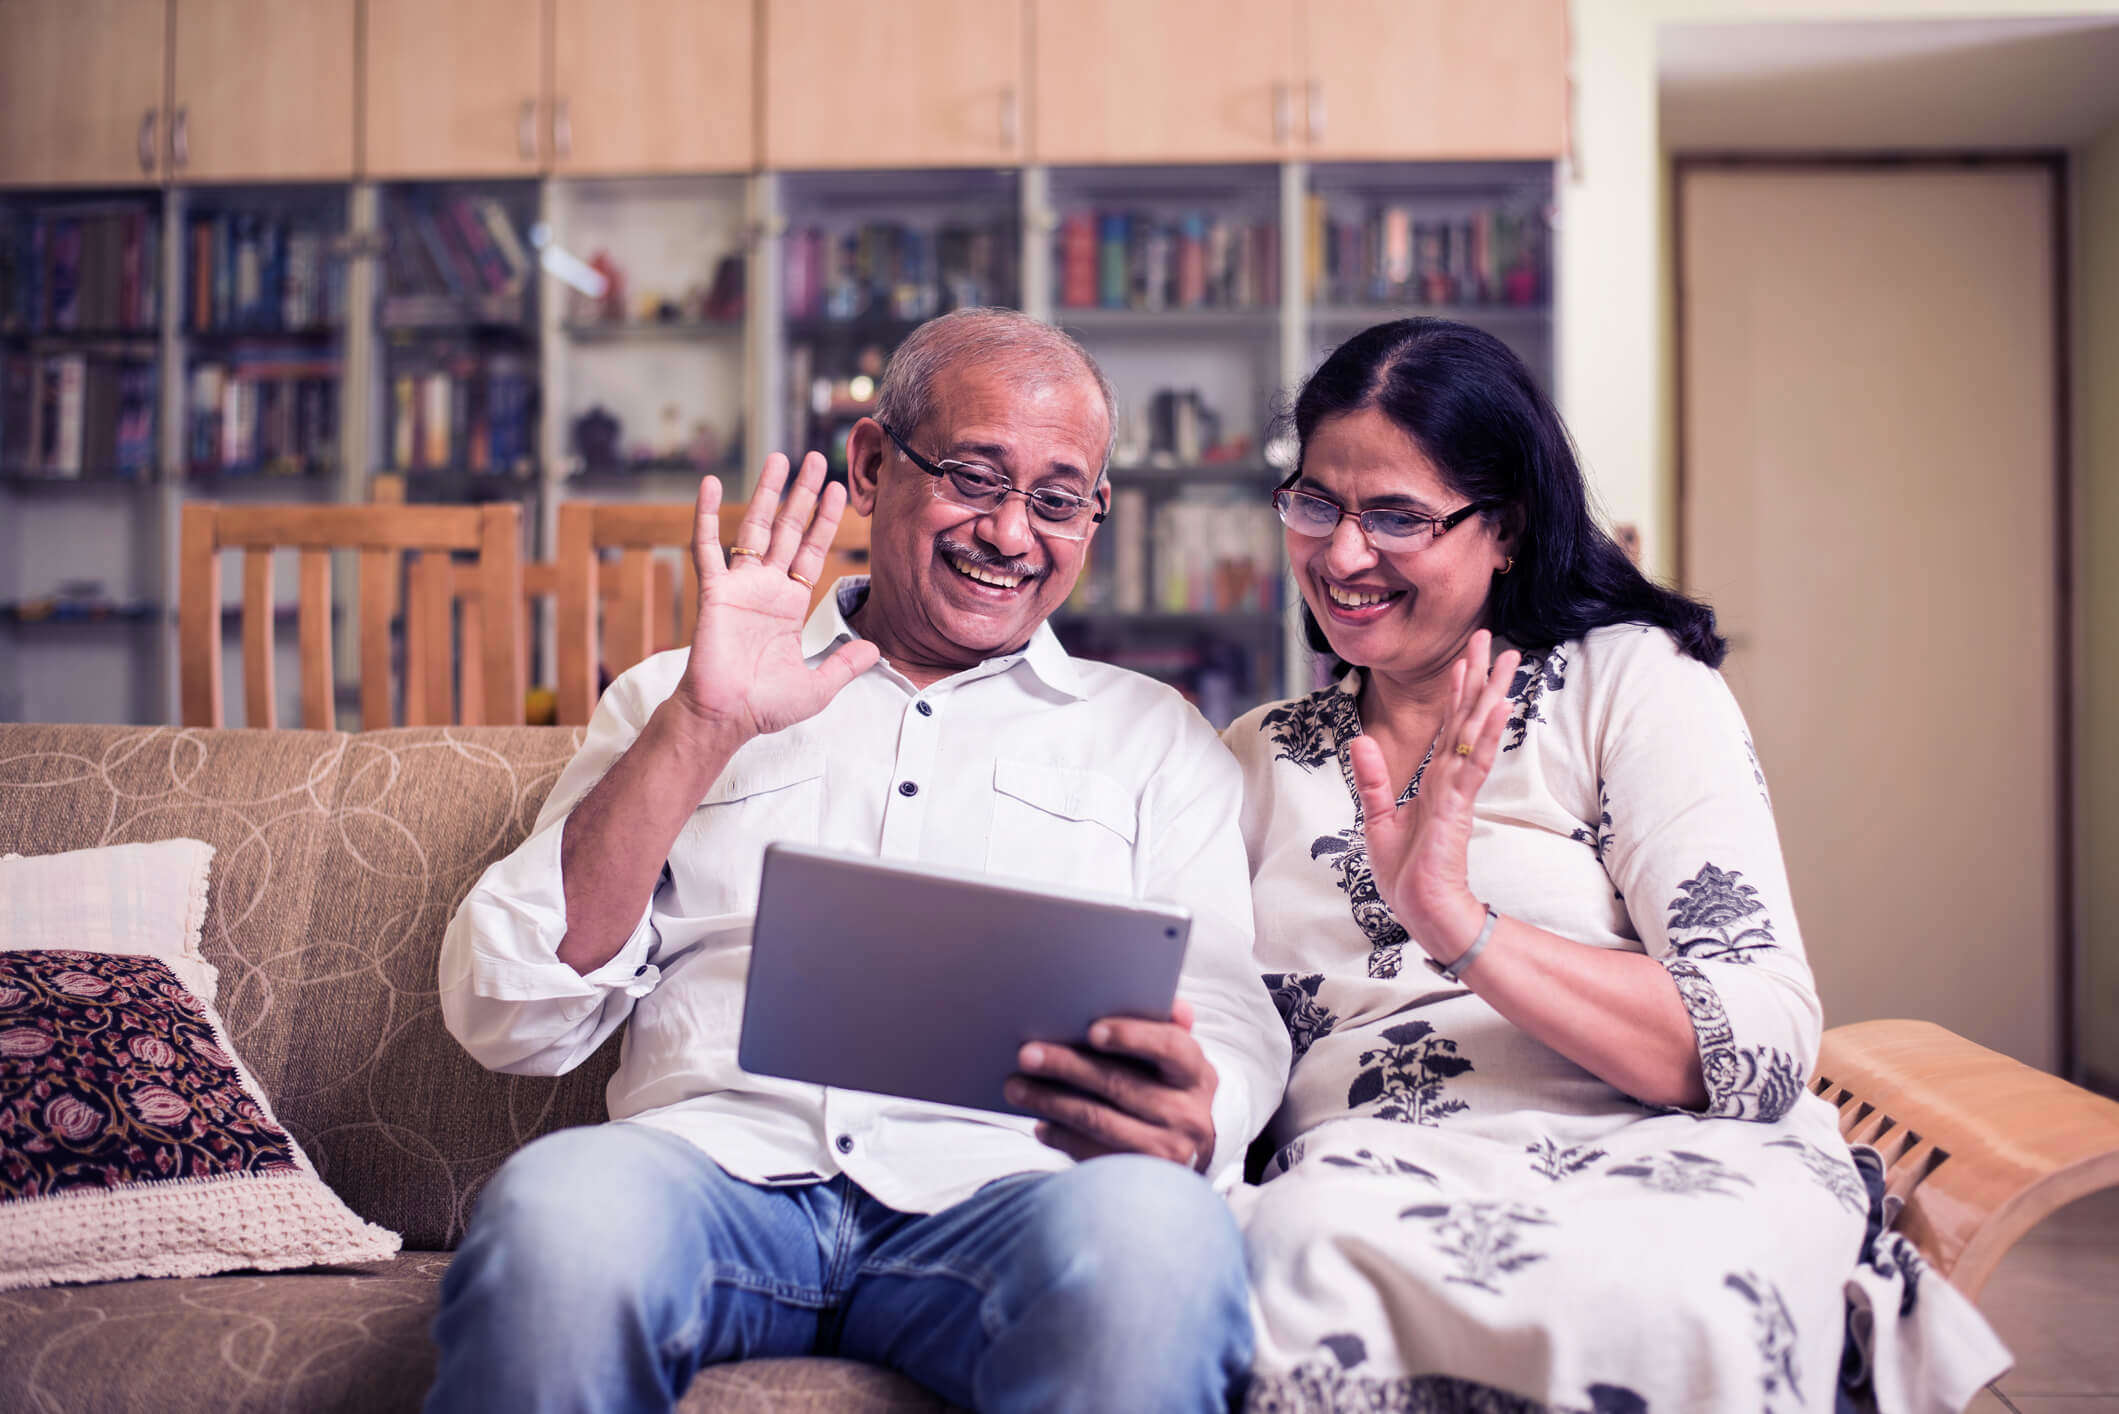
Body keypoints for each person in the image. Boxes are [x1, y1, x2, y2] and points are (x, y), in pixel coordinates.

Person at [429, 307, 1290, 1414]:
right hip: (713, 1171)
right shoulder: (675, 697)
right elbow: (506, 1011)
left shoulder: (1152, 738)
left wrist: (1196, 1111)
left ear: (1095, 514)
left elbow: (1223, 1013)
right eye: (976, 478)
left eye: (1057, 500)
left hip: (1013, 1195)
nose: (1012, 534)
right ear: (876, 465)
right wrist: (703, 724)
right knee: (556, 1213)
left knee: (1157, 1238)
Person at [1222, 319, 2008, 1413]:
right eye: (1316, 503)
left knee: (1674, 1289)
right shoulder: (1257, 753)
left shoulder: (1629, 685)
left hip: (1667, 1153)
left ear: (1503, 530)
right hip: (1365, 1173)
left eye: (1396, 516)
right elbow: (1218, 1029)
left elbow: (1764, 1039)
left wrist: (1459, 925)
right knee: (1291, 1261)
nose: (1342, 555)